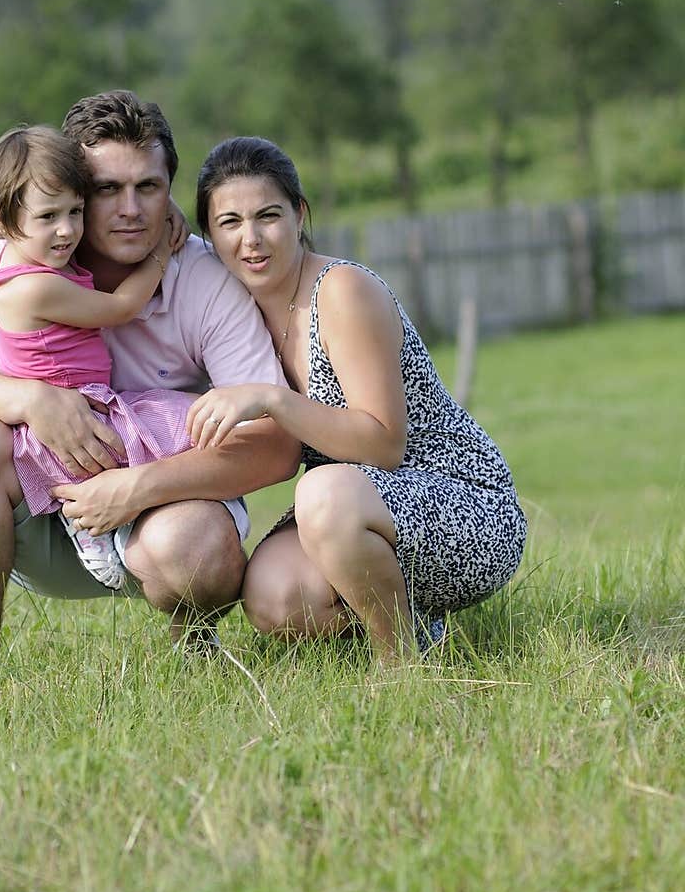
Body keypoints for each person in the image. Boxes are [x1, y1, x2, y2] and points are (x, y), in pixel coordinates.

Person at [0, 93, 300, 685]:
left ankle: (191, 639)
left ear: (170, 188)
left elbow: (275, 445)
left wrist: (136, 487)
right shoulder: (11, 244)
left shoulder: (203, 279)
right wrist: (31, 399)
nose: (130, 209)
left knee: (192, 546)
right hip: (36, 505)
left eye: (148, 187)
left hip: (158, 516)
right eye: (107, 189)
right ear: (70, 188)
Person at [187, 136, 527, 663]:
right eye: (229, 222)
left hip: (460, 501)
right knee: (272, 596)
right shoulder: (235, 314)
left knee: (321, 493)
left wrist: (273, 399)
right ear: (208, 235)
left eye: (268, 215)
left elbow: (384, 445)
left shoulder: (341, 290)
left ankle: (401, 662)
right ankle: (410, 616)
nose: (251, 239)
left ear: (300, 215)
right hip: (354, 506)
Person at [0, 122, 195, 590]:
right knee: (183, 428)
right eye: (48, 217)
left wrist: (160, 207)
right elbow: (121, 307)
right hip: (74, 412)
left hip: (79, 401)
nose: (66, 231)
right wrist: (159, 250)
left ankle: (114, 525)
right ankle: (93, 530)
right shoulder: (33, 287)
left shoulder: (34, 260)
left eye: (76, 212)